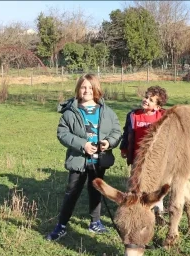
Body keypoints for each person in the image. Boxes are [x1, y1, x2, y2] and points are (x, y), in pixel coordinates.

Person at [46, 73, 122, 241]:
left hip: (99, 162)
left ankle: (95, 222)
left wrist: (108, 143)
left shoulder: (107, 112)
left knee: (96, 192)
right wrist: (83, 145)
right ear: (78, 89)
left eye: (90, 87)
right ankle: (62, 225)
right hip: (79, 161)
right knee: (72, 193)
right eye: (83, 87)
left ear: (96, 89)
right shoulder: (70, 112)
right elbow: (62, 133)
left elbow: (117, 131)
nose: (87, 90)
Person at [120, 85, 168, 224]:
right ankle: (134, 207)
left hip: (156, 159)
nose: (146, 100)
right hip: (137, 156)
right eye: (146, 97)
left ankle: (157, 209)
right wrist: (124, 149)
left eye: (151, 100)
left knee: (156, 183)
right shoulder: (134, 115)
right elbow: (127, 133)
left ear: (158, 107)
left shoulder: (163, 117)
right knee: (136, 182)